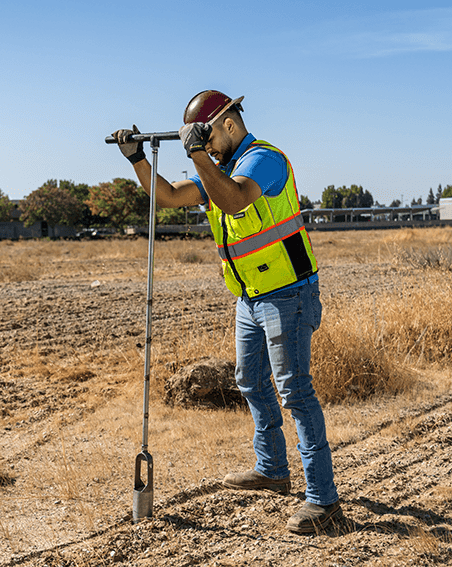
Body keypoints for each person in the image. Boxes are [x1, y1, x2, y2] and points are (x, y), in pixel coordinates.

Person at [111, 90, 341, 533]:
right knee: (250, 381)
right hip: (251, 297)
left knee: (295, 393)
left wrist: (196, 152)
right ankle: (272, 469)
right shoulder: (219, 170)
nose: (208, 146)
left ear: (229, 125)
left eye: (209, 136)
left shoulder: (263, 161)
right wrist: (137, 158)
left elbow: (235, 200)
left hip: (288, 295)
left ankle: (324, 501)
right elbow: (169, 196)